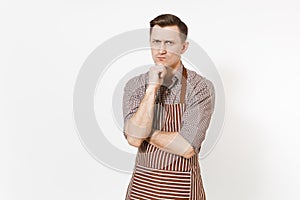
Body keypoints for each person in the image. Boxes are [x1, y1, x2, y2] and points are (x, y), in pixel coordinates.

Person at [122, 14, 215, 200]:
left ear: (184, 47)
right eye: (156, 41)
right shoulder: (135, 85)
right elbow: (132, 140)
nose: (161, 50)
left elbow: (187, 146)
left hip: (181, 191)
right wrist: (152, 88)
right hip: (141, 190)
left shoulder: (199, 87)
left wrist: (142, 132)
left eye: (169, 43)